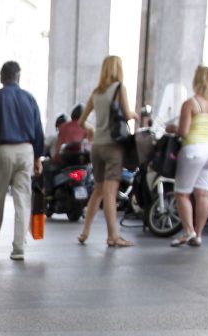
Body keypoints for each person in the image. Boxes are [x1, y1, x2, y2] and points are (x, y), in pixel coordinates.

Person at [0, 61, 45, 261]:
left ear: (1, 77)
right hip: (26, 151)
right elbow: (38, 130)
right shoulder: (29, 98)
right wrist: (37, 158)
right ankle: (19, 248)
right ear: (18, 77)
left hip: (3, 151)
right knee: (22, 200)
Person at [78, 55, 136, 248]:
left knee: (98, 190)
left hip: (97, 147)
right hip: (113, 146)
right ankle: (113, 236)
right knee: (110, 192)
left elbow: (81, 121)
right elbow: (127, 114)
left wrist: (92, 129)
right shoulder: (119, 88)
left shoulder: (96, 92)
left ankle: (85, 232)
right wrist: (134, 114)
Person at [171, 65, 208, 248]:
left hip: (193, 150)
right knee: (203, 194)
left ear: (196, 79)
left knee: (182, 193)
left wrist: (172, 128)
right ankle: (199, 235)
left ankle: (188, 231)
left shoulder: (191, 103)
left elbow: (183, 132)